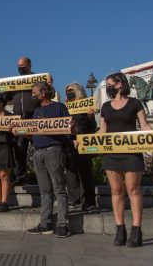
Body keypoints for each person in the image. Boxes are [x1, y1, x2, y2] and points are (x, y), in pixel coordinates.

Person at [98, 72, 152, 247]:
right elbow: (102, 131)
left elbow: (144, 126)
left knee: (133, 189)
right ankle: (120, 229)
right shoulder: (105, 106)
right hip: (111, 153)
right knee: (116, 190)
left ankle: (136, 230)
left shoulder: (135, 103)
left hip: (131, 153)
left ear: (120, 84)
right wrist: (82, 140)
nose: (107, 86)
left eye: (109, 83)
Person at [26, 82, 71, 238]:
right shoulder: (37, 111)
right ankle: (45, 223)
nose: (32, 96)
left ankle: (63, 223)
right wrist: (20, 131)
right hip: (38, 153)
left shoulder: (59, 107)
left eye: (34, 93)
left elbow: (69, 127)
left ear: (43, 92)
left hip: (54, 150)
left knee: (59, 188)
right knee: (45, 190)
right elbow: (33, 133)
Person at [64, 83, 98, 213]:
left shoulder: (85, 107)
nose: (68, 92)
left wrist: (90, 116)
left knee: (85, 173)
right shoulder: (65, 107)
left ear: (77, 91)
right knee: (71, 172)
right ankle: (74, 198)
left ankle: (88, 201)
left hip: (83, 142)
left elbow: (92, 127)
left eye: (71, 90)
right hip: (70, 142)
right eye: (67, 91)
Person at [6, 56, 39, 186]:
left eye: (22, 66)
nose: (20, 68)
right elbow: (6, 95)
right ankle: (20, 176)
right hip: (19, 119)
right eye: (18, 66)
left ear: (29, 65)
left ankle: (41, 176)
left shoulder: (37, 79)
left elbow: (47, 92)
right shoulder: (15, 82)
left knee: (39, 147)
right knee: (19, 149)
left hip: (34, 118)